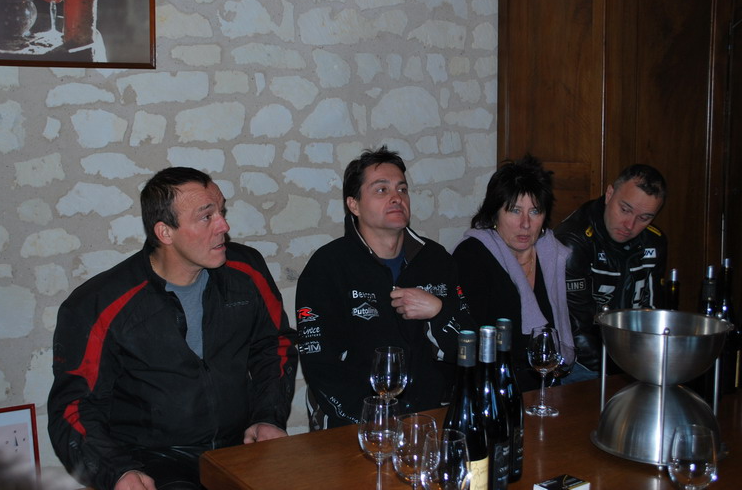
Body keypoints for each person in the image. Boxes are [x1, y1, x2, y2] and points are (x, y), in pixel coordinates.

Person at [47, 167, 297, 490]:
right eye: (206, 217)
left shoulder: (247, 270)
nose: (224, 225)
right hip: (151, 462)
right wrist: (117, 471)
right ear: (165, 232)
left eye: (221, 211)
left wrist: (268, 416)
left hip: (239, 448)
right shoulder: (98, 304)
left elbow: (274, 344)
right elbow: (73, 407)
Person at [295, 146, 473, 429]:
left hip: (429, 420)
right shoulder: (327, 266)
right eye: (381, 190)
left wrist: (439, 312)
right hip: (353, 423)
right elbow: (320, 364)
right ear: (353, 205)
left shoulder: (437, 260)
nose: (396, 197)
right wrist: (371, 420)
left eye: (402, 189)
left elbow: (470, 348)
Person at [451, 155, 576, 391]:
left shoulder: (553, 253)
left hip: (548, 383)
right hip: (493, 385)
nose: (526, 224)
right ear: (494, 214)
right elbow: (469, 339)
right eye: (515, 211)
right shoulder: (471, 256)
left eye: (535, 211)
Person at [554, 164, 667, 377]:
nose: (629, 225)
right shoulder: (573, 241)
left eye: (644, 218)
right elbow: (576, 330)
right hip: (582, 363)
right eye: (625, 209)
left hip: (634, 359)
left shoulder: (655, 241)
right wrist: (621, 373)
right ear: (609, 194)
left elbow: (654, 312)